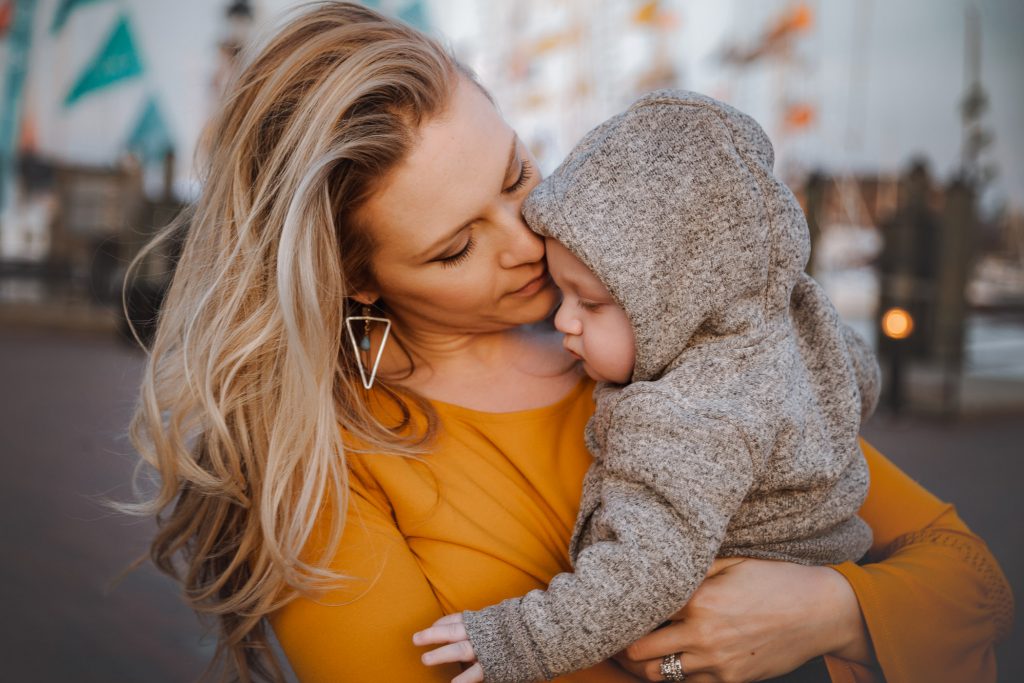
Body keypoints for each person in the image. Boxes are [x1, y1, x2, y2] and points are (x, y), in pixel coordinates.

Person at [121, 3, 1013, 683]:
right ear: (354, 277)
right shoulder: (321, 465)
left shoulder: (669, 337)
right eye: (455, 246)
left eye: (517, 173)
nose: (525, 238)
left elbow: (972, 581)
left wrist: (828, 612)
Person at [413, 89, 883, 683]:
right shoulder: (786, 320)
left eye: (591, 302)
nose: (563, 319)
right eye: (564, 294)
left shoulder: (685, 414)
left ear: (675, 303)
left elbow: (644, 572)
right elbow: (859, 381)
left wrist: (519, 640)